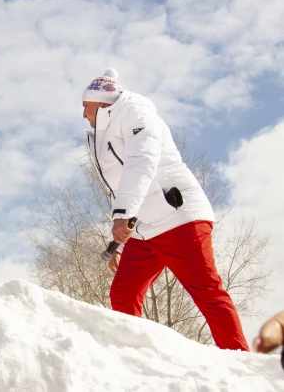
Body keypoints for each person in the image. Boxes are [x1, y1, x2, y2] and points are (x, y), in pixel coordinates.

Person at [82, 68, 249, 351]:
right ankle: (132, 356)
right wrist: (117, 239)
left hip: (178, 216)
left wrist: (122, 215)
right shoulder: (106, 130)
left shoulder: (137, 111)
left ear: (100, 102)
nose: (84, 114)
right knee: (123, 293)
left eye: (85, 106)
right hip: (144, 227)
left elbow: (141, 161)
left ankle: (241, 360)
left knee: (206, 290)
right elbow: (120, 183)